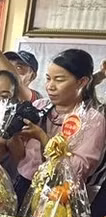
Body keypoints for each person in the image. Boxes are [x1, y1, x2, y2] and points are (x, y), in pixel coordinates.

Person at [14, 49, 105, 205]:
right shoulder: (38, 106)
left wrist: (43, 137)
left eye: (59, 80)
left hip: (60, 195)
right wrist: (13, 136)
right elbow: (19, 157)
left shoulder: (92, 119)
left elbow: (77, 170)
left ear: (82, 82)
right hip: (24, 184)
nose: (50, 86)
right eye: (48, 79)